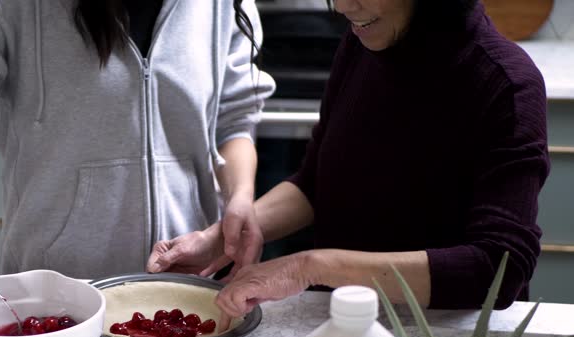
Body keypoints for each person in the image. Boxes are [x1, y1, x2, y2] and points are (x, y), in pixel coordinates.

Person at [148, 0, 550, 317]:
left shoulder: (505, 83)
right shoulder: (364, 43)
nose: (342, 5)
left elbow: (499, 268)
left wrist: (309, 267)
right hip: (348, 329)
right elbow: (316, 183)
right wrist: (222, 237)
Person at [0, 0, 275, 287]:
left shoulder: (223, 5)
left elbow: (233, 119)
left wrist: (240, 198)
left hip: (186, 291)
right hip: (56, 300)